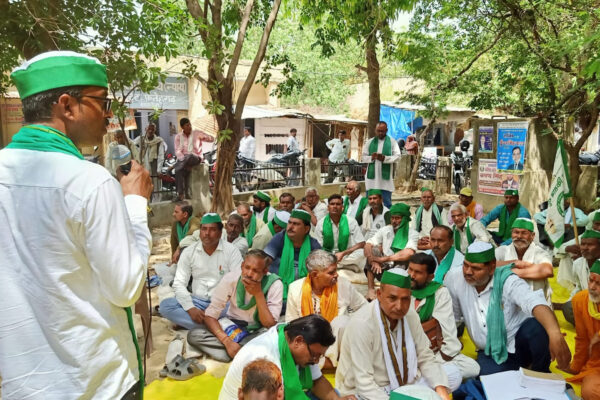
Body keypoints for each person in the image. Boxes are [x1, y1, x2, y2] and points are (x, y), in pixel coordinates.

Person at [0, 51, 152, 399]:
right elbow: (127, 288)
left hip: (25, 386)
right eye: (103, 102)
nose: (109, 114)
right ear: (67, 106)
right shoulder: (89, 182)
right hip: (99, 385)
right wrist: (134, 204)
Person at [445, 241, 571, 376]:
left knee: (537, 325)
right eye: (465, 265)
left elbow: (535, 302)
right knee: (488, 382)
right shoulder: (455, 278)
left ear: (492, 268)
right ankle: (515, 371)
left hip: (519, 345)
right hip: (490, 352)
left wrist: (555, 334)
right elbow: (452, 317)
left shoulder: (508, 280)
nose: (468, 272)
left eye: (476, 268)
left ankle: (540, 372)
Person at [336, 268, 451, 400]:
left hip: (404, 382)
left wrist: (440, 388)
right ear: (379, 294)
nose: (399, 306)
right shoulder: (362, 323)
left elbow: (425, 356)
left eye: (405, 299)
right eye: (392, 298)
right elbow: (364, 383)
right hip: (368, 389)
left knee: (452, 375)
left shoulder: (410, 315)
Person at [220, 315, 353, 400]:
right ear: (298, 341)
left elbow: (317, 381)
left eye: (320, 356)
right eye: (314, 355)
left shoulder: (289, 335)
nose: (316, 361)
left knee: (334, 394)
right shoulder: (266, 362)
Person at [187, 250, 283, 362]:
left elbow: (269, 325)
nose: (249, 274)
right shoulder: (231, 278)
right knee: (194, 335)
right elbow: (210, 315)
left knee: (275, 338)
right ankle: (243, 353)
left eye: (255, 271)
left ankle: (232, 354)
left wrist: (258, 294)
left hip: (257, 331)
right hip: (232, 327)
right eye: (247, 268)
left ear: (265, 271)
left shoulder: (275, 284)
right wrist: (227, 341)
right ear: (242, 266)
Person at [407, 254, 480, 390]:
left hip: (433, 352)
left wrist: (431, 362)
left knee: (473, 368)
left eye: (418, 272)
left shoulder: (440, 293)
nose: (411, 275)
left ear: (430, 276)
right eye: (410, 269)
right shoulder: (400, 290)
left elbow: (447, 331)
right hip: (406, 351)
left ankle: (424, 377)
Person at [159, 213, 244, 330]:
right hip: (197, 302)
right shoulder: (189, 252)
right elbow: (179, 283)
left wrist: (218, 306)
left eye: (212, 229)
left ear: (220, 232)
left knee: (240, 306)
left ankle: (199, 325)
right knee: (166, 306)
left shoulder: (232, 251)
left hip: (223, 303)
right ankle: (215, 325)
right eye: (204, 229)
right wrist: (190, 309)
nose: (207, 233)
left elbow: (238, 281)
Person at [285, 250, 367, 368]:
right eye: (331, 272)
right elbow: (290, 324)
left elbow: (364, 308)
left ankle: (328, 362)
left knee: (342, 321)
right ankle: (320, 362)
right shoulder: (295, 289)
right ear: (315, 275)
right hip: (309, 344)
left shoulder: (343, 285)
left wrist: (354, 327)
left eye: (336, 270)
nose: (336, 275)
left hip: (336, 343)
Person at [559, 261, 600, 399]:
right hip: (596, 364)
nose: (592, 287)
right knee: (589, 391)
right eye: (591, 280)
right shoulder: (580, 300)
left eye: (598, 283)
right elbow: (582, 339)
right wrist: (575, 366)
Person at [364, 203, 418, 301]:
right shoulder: (385, 230)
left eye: (397, 218)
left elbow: (409, 252)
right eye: (392, 218)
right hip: (382, 266)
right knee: (374, 250)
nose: (394, 221)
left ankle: (391, 292)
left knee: (404, 259)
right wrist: (372, 260)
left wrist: (384, 259)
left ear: (404, 219)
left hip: (400, 267)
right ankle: (371, 290)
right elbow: (368, 244)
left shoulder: (412, 234)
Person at [264, 209, 322, 301]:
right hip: (278, 290)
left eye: (296, 224)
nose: (290, 227)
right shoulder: (279, 238)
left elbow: (322, 267)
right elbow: (265, 260)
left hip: (304, 291)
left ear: (306, 229)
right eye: (289, 223)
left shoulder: (313, 244)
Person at [495, 218, 554, 304]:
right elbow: (488, 266)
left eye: (524, 233)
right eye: (516, 232)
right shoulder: (502, 251)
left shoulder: (540, 252)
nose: (519, 236)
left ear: (532, 236)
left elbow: (547, 271)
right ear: (511, 234)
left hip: (536, 304)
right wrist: (516, 263)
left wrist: (508, 272)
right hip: (507, 304)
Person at [314, 194, 366, 273]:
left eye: (338, 204)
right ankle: (345, 265)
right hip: (328, 256)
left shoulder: (351, 221)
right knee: (316, 256)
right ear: (328, 207)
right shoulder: (321, 223)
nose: (335, 206)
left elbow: (361, 243)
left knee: (362, 252)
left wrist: (343, 253)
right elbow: (318, 246)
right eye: (332, 204)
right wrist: (329, 256)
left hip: (346, 254)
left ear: (342, 207)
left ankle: (337, 265)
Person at [563, 229, 600, 325]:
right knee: (568, 307)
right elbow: (579, 287)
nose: (585, 248)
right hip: (588, 302)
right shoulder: (577, 264)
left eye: (590, 245)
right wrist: (571, 301)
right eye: (583, 244)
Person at [361, 121, 400, 208]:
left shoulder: (392, 142)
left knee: (386, 204)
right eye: (378, 131)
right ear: (375, 130)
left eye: (382, 131)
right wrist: (372, 157)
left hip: (385, 181)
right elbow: (363, 157)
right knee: (370, 204)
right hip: (372, 180)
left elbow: (398, 156)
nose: (380, 133)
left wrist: (384, 158)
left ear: (387, 130)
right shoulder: (369, 142)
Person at [173, 117, 214, 201]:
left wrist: (205, 137)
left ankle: (175, 166)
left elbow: (211, 139)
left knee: (190, 155)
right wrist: (183, 161)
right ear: (182, 127)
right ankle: (180, 194)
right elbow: (178, 151)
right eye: (187, 125)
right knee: (178, 171)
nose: (189, 127)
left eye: (190, 125)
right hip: (185, 161)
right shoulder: (178, 137)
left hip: (196, 158)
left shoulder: (197, 133)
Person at [134, 122, 165, 190]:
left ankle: (156, 197)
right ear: (145, 129)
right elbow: (133, 146)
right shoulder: (141, 139)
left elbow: (161, 156)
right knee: (145, 186)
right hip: (144, 165)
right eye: (149, 129)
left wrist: (159, 170)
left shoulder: (159, 141)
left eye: (152, 129)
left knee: (156, 186)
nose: (150, 131)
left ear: (155, 130)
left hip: (155, 165)